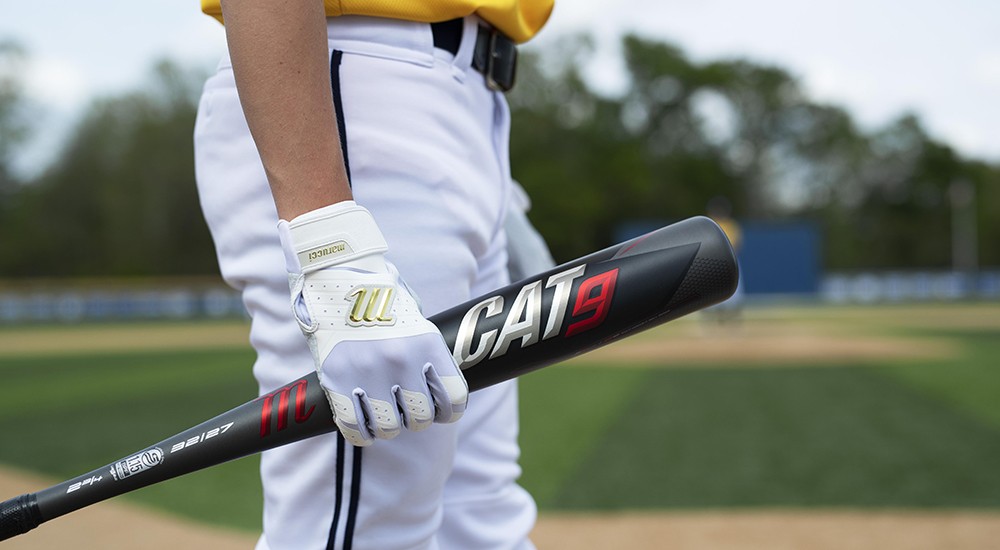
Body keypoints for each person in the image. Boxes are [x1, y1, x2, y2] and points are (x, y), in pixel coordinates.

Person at [193, 1, 554, 548]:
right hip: (345, 92)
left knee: (479, 525)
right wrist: (331, 247)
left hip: (466, 106)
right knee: (366, 535)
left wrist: (491, 201)